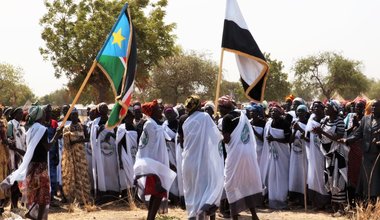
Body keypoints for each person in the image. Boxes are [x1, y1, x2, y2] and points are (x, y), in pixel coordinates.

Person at [1, 105, 61, 220]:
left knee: (37, 193)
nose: (45, 115)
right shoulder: (42, 130)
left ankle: (31, 213)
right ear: (39, 115)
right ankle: (37, 217)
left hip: (31, 165)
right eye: (43, 113)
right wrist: (56, 135)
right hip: (40, 166)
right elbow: (47, 147)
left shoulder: (31, 129)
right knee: (44, 195)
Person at [178, 95, 224, 219]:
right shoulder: (204, 117)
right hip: (201, 162)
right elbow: (215, 137)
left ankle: (193, 215)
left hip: (187, 161)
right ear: (199, 105)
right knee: (204, 191)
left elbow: (181, 141)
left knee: (192, 193)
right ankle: (201, 212)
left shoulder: (183, 119)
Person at [219, 95, 262, 220]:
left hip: (235, 154)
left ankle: (234, 217)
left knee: (230, 184)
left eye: (220, 109)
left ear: (224, 108)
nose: (220, 111)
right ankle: (254, 215)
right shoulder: (243, 115)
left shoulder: (227, 118)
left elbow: (226, 140)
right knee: (247, 183)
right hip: (248, 153)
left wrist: (218, 135)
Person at [133, 100, 176, 220]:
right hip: (152, 165)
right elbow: (149, 148)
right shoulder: (150, 125)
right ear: (152, 112)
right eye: (158, 109)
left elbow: (162, 144)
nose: (161, 110)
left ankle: (150, 218)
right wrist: (154, 170)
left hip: (158, 164)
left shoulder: (157, 124)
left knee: (157, 194)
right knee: (158, 193)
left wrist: (167, 164)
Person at [313, 100, 347, 216]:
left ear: (335, 109)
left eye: (328, 107)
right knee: (330, 178)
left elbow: (338, 137)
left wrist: (322, 131)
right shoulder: (325, 120)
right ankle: (334, 206)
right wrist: (318, 133)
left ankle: (341, 208)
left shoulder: (340, 121)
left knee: (338, 178)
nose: (326, 109)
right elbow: (321, 136)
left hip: (337, 153)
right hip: (327, 153)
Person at [341, 100, 380, 200]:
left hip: (377, 155)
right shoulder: (365, 119)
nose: (373, 109)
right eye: (372, 107)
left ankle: (375, 202)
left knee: (376, 180)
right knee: (366, 179)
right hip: (366, 155)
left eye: (376, 107)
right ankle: (368, 202)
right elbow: (358, 133)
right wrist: (347, 140)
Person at [263, 103, 291, 209]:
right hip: (272, 154)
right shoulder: (269, 123)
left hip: (283, 154)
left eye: (275, 111)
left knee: (282, 176)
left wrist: (274, 139)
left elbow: (287, 140)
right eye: (271, 111)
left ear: (280, 113)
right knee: (272, 176)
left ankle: (282, 199)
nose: (273, 112)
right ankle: (273, 199)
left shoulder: (284, 123)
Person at [62, 108, 91, 205]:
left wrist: (76, 141)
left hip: (81, 155)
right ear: (70, 116)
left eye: (76, 114)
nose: (74, 116)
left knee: (82, 174)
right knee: (73, 175)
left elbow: (87, 139)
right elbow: (66, 144)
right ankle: (74, 198)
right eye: (72, 115)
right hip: (72, 155)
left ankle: (84, 196)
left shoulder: (82, 127)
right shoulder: (67, 129)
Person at [305, 101, 330, 210]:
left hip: (324, 153)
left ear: (322, 108)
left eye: (318, 107)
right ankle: (316, 203)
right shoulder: (311, 120)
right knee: (314, 176)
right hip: (313, 153)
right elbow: (307, 137)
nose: (315, 109)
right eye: (314, 107)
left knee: (324, 176)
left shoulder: (327, 120)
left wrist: (320, 133)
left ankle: (326, 202)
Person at [90, 103, 119, 198]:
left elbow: (119, 136)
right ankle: (103, 192)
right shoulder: (95, 122)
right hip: (100, 151)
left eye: (105, 107)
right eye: (102, 107)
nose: (104, 109)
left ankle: (113, 192)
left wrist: (110, 135)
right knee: (101, 171)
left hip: (112, 151)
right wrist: (99, 131)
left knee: (112, 170)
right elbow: (92, 137)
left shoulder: (113, 120)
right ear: (99, 110)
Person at [344, 99, 365, 205]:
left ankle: (359, 202)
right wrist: (353, 126)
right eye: (357, 106)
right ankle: (350, 202)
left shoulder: (366, 119)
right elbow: (345, 132)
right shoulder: (350, 118)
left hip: (361, 151)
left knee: (359, 175)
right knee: (351, 175)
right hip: (350, 150)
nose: (358, 109)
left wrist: (358, 126)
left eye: (361, 107)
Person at [288, 104, 309, 207]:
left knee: (303, 175)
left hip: (304, 155)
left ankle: (303, 199)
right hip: (295, 155)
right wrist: (295, 130)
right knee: (294, 175)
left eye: (302, 111)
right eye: (298, 111)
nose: (300, 113)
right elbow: (290, 140)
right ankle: (294, 198)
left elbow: (308, 138)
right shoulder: (295, 123)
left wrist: (299, 128)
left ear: (306, 113)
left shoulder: (308, 124)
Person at [7, 107, 26, 210]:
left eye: (22, 113)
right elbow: (9, 143)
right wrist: (18, 152)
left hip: (21, 157)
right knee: (14, 182)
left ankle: (15, 205)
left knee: (19, 182)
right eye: (19, 112)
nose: (21, 114)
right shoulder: (10, 124)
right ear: (14, 114)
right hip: (14, 157)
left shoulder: (22, 127)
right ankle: (12, 206)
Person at [115, 108, 137, 196]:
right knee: (125, 175)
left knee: (133, 175)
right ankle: (126, 196)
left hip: (133, 155)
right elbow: (119, 144)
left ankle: (134, 195)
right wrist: (120, 159)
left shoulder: (134, 127)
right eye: (127, 117)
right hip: (124, 154)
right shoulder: (121, 128)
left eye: (131, 117)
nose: (129, 119)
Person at [41, 104, 59, 206]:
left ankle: (52, 198)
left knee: (52, 177)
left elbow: (55, 141)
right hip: (43, 155)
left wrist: (57, 155)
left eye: (50, 112)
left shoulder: (53, 124)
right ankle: (45, 199)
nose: (49, 114)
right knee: (44, 178)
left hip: (52, 154)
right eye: (47, 112)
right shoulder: (41, 124)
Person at [0, 106, 10, 215]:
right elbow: (4, 139)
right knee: (2, 175)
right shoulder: (1, 124)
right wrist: (10, 142)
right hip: (1, 151)